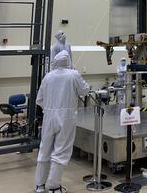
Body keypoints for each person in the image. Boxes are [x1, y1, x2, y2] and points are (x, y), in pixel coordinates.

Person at [34, 50, 90, 193]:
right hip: (66, 117)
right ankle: (54, 186)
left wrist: (50, 108)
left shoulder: (48, 76)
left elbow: (39, 99)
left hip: (48, 116)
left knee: (44, 149)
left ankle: (39, 185)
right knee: (61, 151)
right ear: (68, 61)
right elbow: (84, 91)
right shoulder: (73, 74)